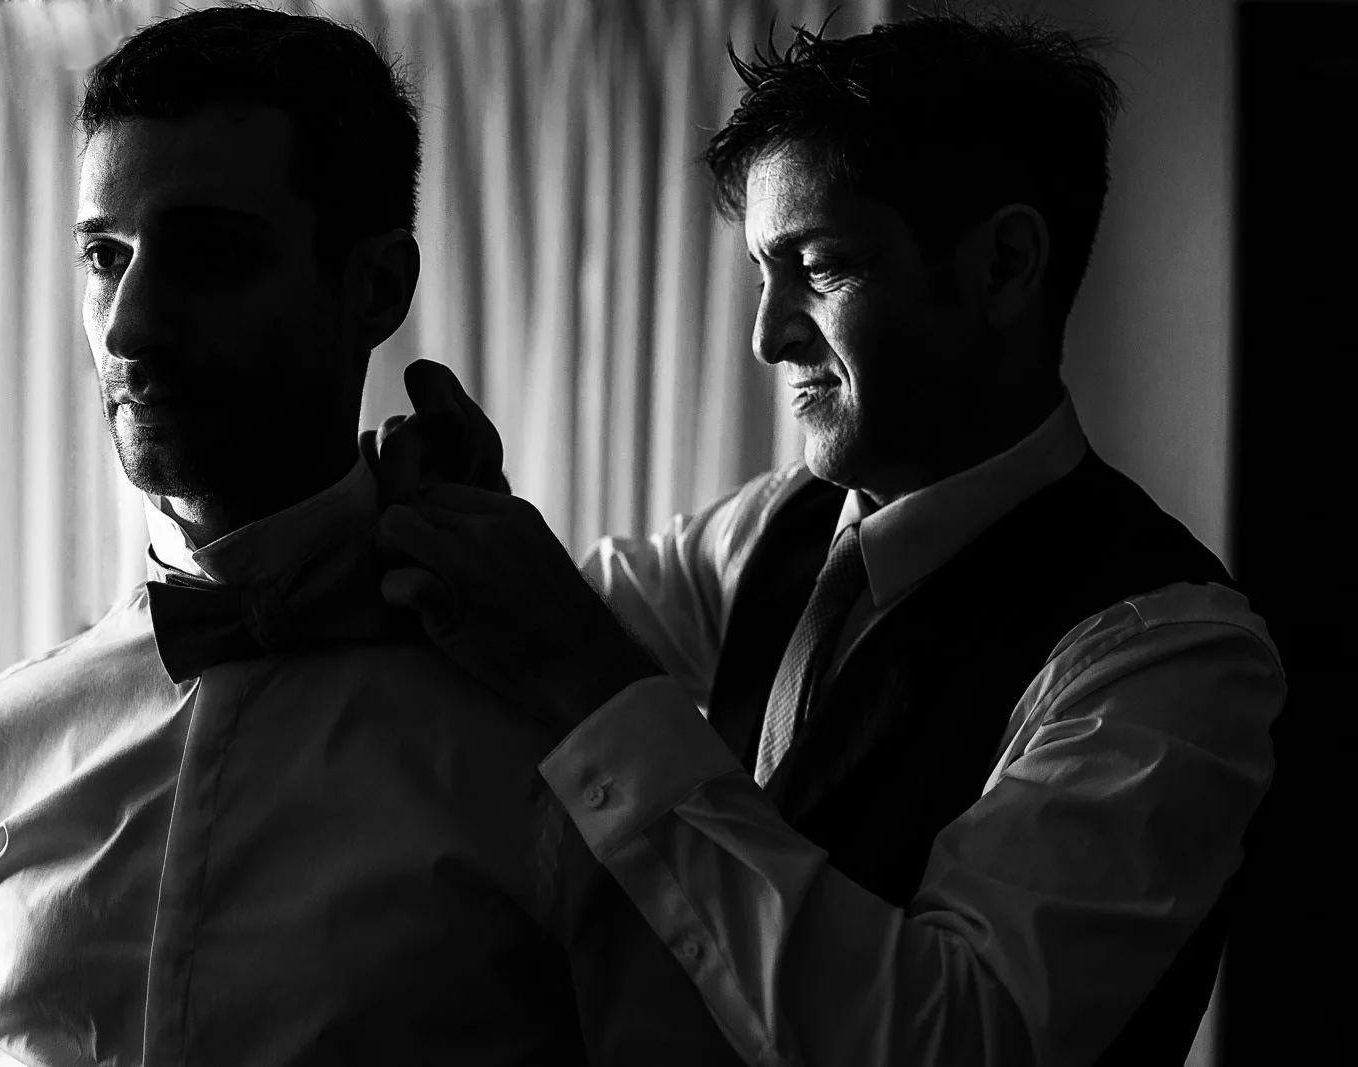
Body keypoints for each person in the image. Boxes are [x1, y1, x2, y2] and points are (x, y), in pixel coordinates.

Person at [371, 12, 1285, 1067]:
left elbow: (953, 1038)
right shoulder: (774, 527)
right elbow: (536, 628)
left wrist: (595, 687)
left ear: (1004, 265)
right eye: (763, 271)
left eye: (820, 265)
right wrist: (463, 542)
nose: (768, 334)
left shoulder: (1170, 652)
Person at [0, 7, 742, 1065]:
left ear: (375, 286)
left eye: (209, 254)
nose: (128, 324)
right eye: (105, 254)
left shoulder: (555, 752)